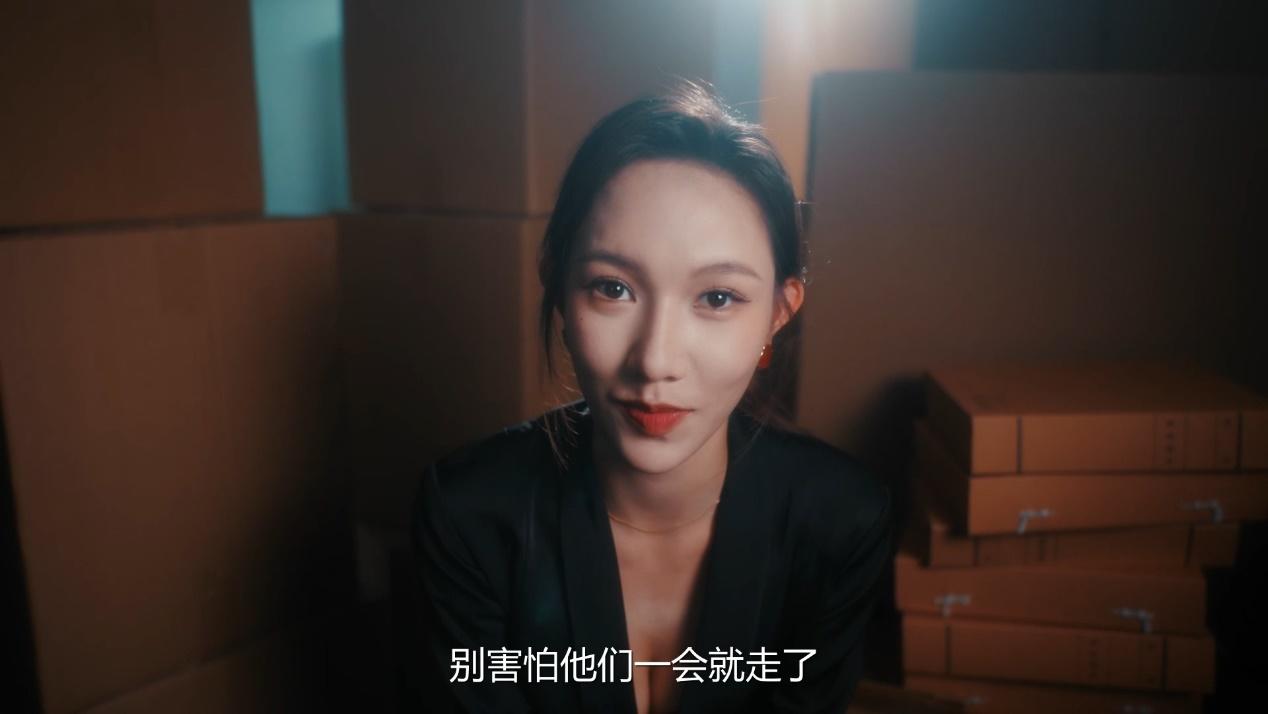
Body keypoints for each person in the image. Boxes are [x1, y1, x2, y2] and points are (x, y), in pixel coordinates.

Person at [412, 79, 892, 713]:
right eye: (613, 288)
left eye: (717, 297)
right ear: (558, 289)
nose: (656, 360)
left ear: (778, 313)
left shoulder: (840, 522)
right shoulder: (470, 516)